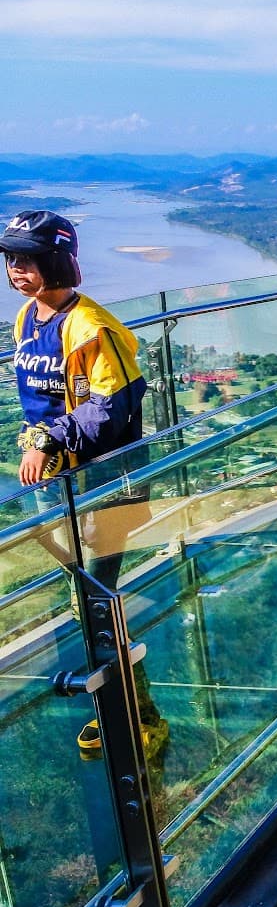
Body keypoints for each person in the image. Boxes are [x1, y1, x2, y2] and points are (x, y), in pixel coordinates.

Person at [2, 210, 165, 758]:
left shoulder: (93, 328)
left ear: (56, 261)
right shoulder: (28, 318)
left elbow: (113, 407)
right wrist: (39, 443)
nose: (16, 269)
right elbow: (41, 400)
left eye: (27, 259)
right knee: (85, 599)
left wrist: (49, 439)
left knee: (95, 599)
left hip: (104, 483)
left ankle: (138, 714)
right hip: (59, 481)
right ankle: (121, 705)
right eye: (11, 259)